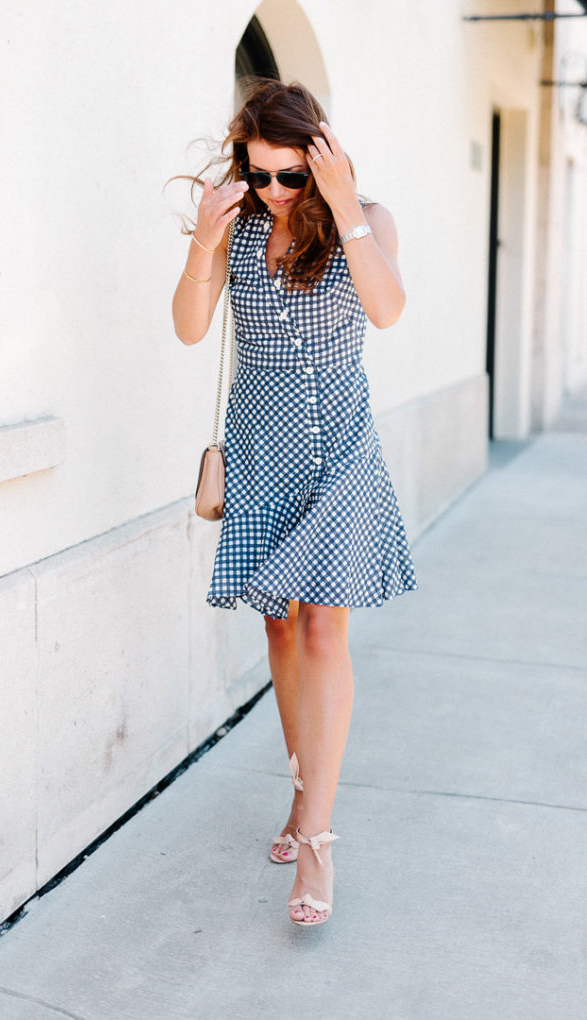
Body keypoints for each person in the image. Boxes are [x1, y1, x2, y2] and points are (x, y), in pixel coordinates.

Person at [172, 78, 417, 927]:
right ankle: (302, 788)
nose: (275, 192)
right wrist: (203, 245)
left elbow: (386, 311)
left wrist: (344, 205)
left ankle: (317, 844)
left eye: (290, 177)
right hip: (263, 440)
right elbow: (190, 329)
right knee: (280, 626)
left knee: (323, 627)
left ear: (318, 161)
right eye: (260, 174)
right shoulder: (238, 231)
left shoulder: (365, 217)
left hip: (340, 439)